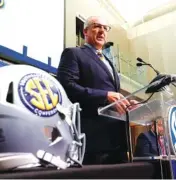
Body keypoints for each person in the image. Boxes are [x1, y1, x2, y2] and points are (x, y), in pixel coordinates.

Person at [57, 16, 135, 165]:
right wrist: (104, 95)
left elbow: (112, 93)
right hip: (92, 140)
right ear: (85, 31)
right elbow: (66, 86)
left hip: (117, 141)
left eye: (105, 28)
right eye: (97, 26)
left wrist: (126, 102)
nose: (102, 31)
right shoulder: (73, 53)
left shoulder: (109, 62)